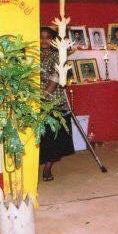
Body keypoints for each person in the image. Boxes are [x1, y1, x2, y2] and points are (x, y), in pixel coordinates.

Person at [39, 26, 75, 181]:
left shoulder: (58, 56)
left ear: (53, 40)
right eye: (41, 37)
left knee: (52, 138)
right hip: (34, 98)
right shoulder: (34, 54)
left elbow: (54, 81)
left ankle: (48, 168)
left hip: (53, 100)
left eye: (47, 37)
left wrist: (41, 98)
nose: (44, 40)